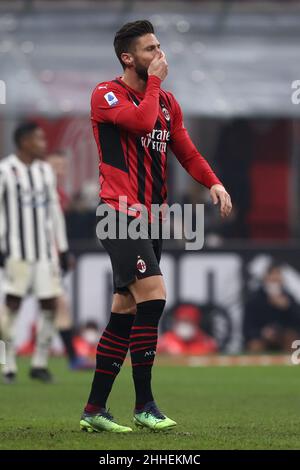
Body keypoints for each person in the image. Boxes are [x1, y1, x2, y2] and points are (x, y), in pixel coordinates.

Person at [80, 20, 232, 434]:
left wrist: (214, 182)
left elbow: (186, 150)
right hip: (118, 214)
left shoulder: (167, 102)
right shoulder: (106, 94)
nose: (160, 56)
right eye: (150, 50)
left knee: (125, 311)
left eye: (159, 47)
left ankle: (94, 408)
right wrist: (155, 85)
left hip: (153, 218)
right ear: (128, 58)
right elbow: (142, 122)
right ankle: (145, 405)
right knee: (155, 296)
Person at [0, 122, 69, 383]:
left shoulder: (44, 171)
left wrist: (62, 249)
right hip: (17, 251)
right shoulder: (5, 170)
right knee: (12, 304)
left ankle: (39, 363)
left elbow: (54, 213)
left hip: (44, 254)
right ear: (24, 141)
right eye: (38, 139)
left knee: (50, 304)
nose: (43, 143)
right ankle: (8, 364)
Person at [244, 262, 300, 352]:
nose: (275, 278)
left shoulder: (289, 299)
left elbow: (297, 324)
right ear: (265, 278)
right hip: (262, 338)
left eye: (278, 275)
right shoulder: (255, 299)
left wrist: (288, 307)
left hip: (284, 337)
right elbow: (247, 328)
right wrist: (263, 333)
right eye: (272, 276)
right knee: (255, 346)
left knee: (292, 340)